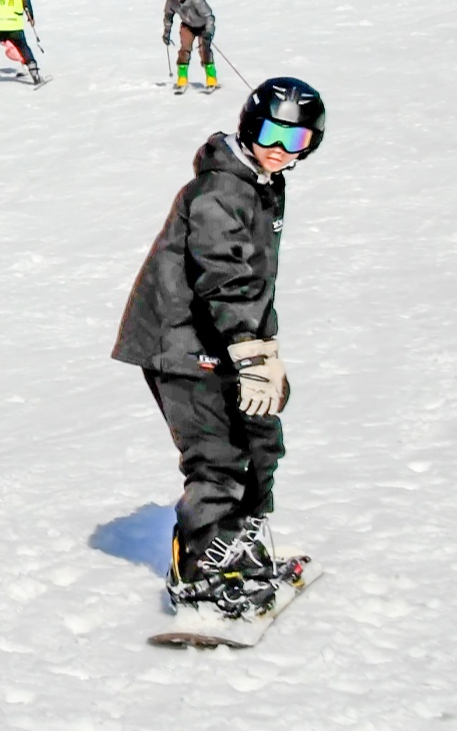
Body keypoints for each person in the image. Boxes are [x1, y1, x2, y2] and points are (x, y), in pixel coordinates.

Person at [111, 77, 327, 620]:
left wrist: (266, 349)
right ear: (251, 124)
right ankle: (201, 572)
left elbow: (255, 281)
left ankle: (238, 547)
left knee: (260, 436)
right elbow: (224, 275)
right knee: (217, 458)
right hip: (181, 340)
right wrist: (252, 353)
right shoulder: (219, 191)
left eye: (296, 139)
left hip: (225, 337)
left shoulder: (261, 182)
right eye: (273, 131)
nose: (281, 146)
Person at [163, 0, 218, 91]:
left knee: (205, 51)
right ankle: (182, 78)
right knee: (184, 50)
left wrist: (209, 32)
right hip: (187, 26)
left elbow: (209, 16)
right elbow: (168, 16)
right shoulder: (172, 0)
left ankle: (211, 78)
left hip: (203, 26)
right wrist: (167, 32)